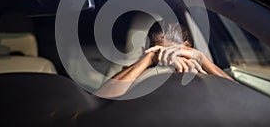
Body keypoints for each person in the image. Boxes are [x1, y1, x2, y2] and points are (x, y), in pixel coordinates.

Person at [96, 22, 234, 98]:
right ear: (146, 48)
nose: (172, 61)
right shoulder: (132, 75)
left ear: (189, 51)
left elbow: (239, 96)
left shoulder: (200, 73)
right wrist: (149, 59)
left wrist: (200, 57)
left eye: (178, 55)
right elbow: (100, 100)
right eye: (163, 55)